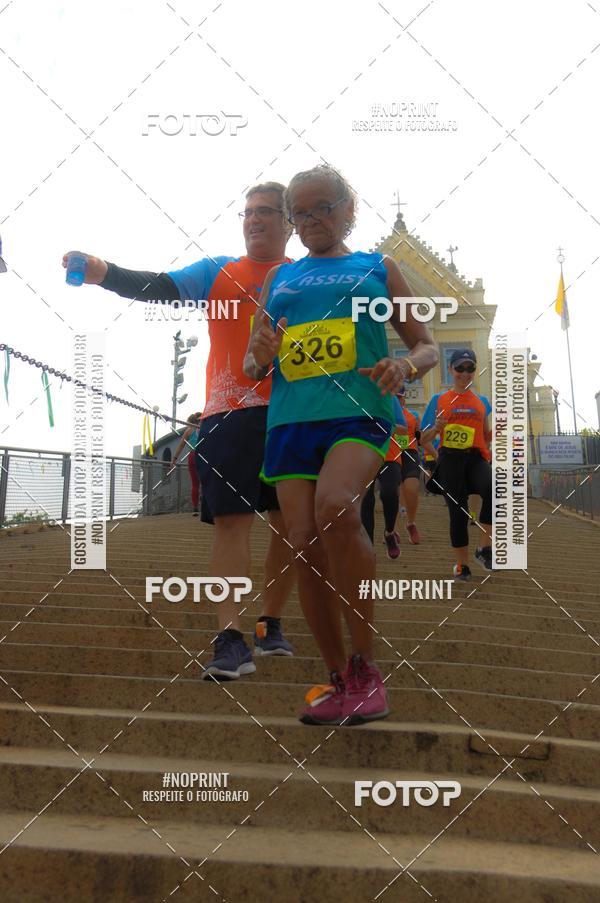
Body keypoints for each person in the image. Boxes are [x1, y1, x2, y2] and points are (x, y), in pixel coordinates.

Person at [62, 181, 296, 679]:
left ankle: (269, 621)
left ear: (289, 221)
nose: (254, 219)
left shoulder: (307, 278)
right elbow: (161, 287)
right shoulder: (219, 272)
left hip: (291, 415)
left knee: (290, 527)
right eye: (247, 212)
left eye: (266, 212)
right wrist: (105, 273)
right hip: (227, 415)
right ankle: (231, 636)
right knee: (232, 526)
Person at [244, 164, 438, 726]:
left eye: (322, 208)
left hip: (359, 414)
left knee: (335, 507)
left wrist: (404, 364)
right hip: (290, 424)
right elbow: (255, 366)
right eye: (298, 213)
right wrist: (260, 352)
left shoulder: (378, 267)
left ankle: (365, 666)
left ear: (348, 208)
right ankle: (337, 679)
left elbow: (425, 343)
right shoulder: (278, 280)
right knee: (303, 545)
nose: (310, 221)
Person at [420, 349, 492, 581]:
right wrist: (436, 429)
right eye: (460, 368)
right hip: (450, 458)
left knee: (495, 489)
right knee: (458, 512)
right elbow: (421, 439)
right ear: (450, 369)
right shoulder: (438, 400)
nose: (465, 373)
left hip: (476, 458)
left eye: (470, 368)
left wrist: (500, 428)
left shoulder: (482, 402)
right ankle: (462, 565)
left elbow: (484, 435)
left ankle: (484, 548)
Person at [360, 397, 407, 559]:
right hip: (364, 456)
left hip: (390, 456)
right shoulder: (356, 394)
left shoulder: (390, 397)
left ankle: (389, 532)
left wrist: (386, 425)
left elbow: (403, 429)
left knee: (389, 493)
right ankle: (368, 548)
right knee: (366, 499)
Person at [396, 386, 423, 544]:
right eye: (395, 397)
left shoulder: (413, 416)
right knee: (392, 492)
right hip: (390, 454)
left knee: (412, 488)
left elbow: (420, 438)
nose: (398, 400)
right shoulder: (385, 414)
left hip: (409, 453)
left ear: (404, 398)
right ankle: (392, 529)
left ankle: (411, 523)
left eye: (400, 397)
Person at [172, 412, 202, 515]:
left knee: (195, 483)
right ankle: (207, 505)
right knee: (207, 481)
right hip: (203, 455)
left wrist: (174, 459)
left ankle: (195, 507)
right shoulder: (205, 428)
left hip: (192, 456)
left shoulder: (188, 431)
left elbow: (181, 445)